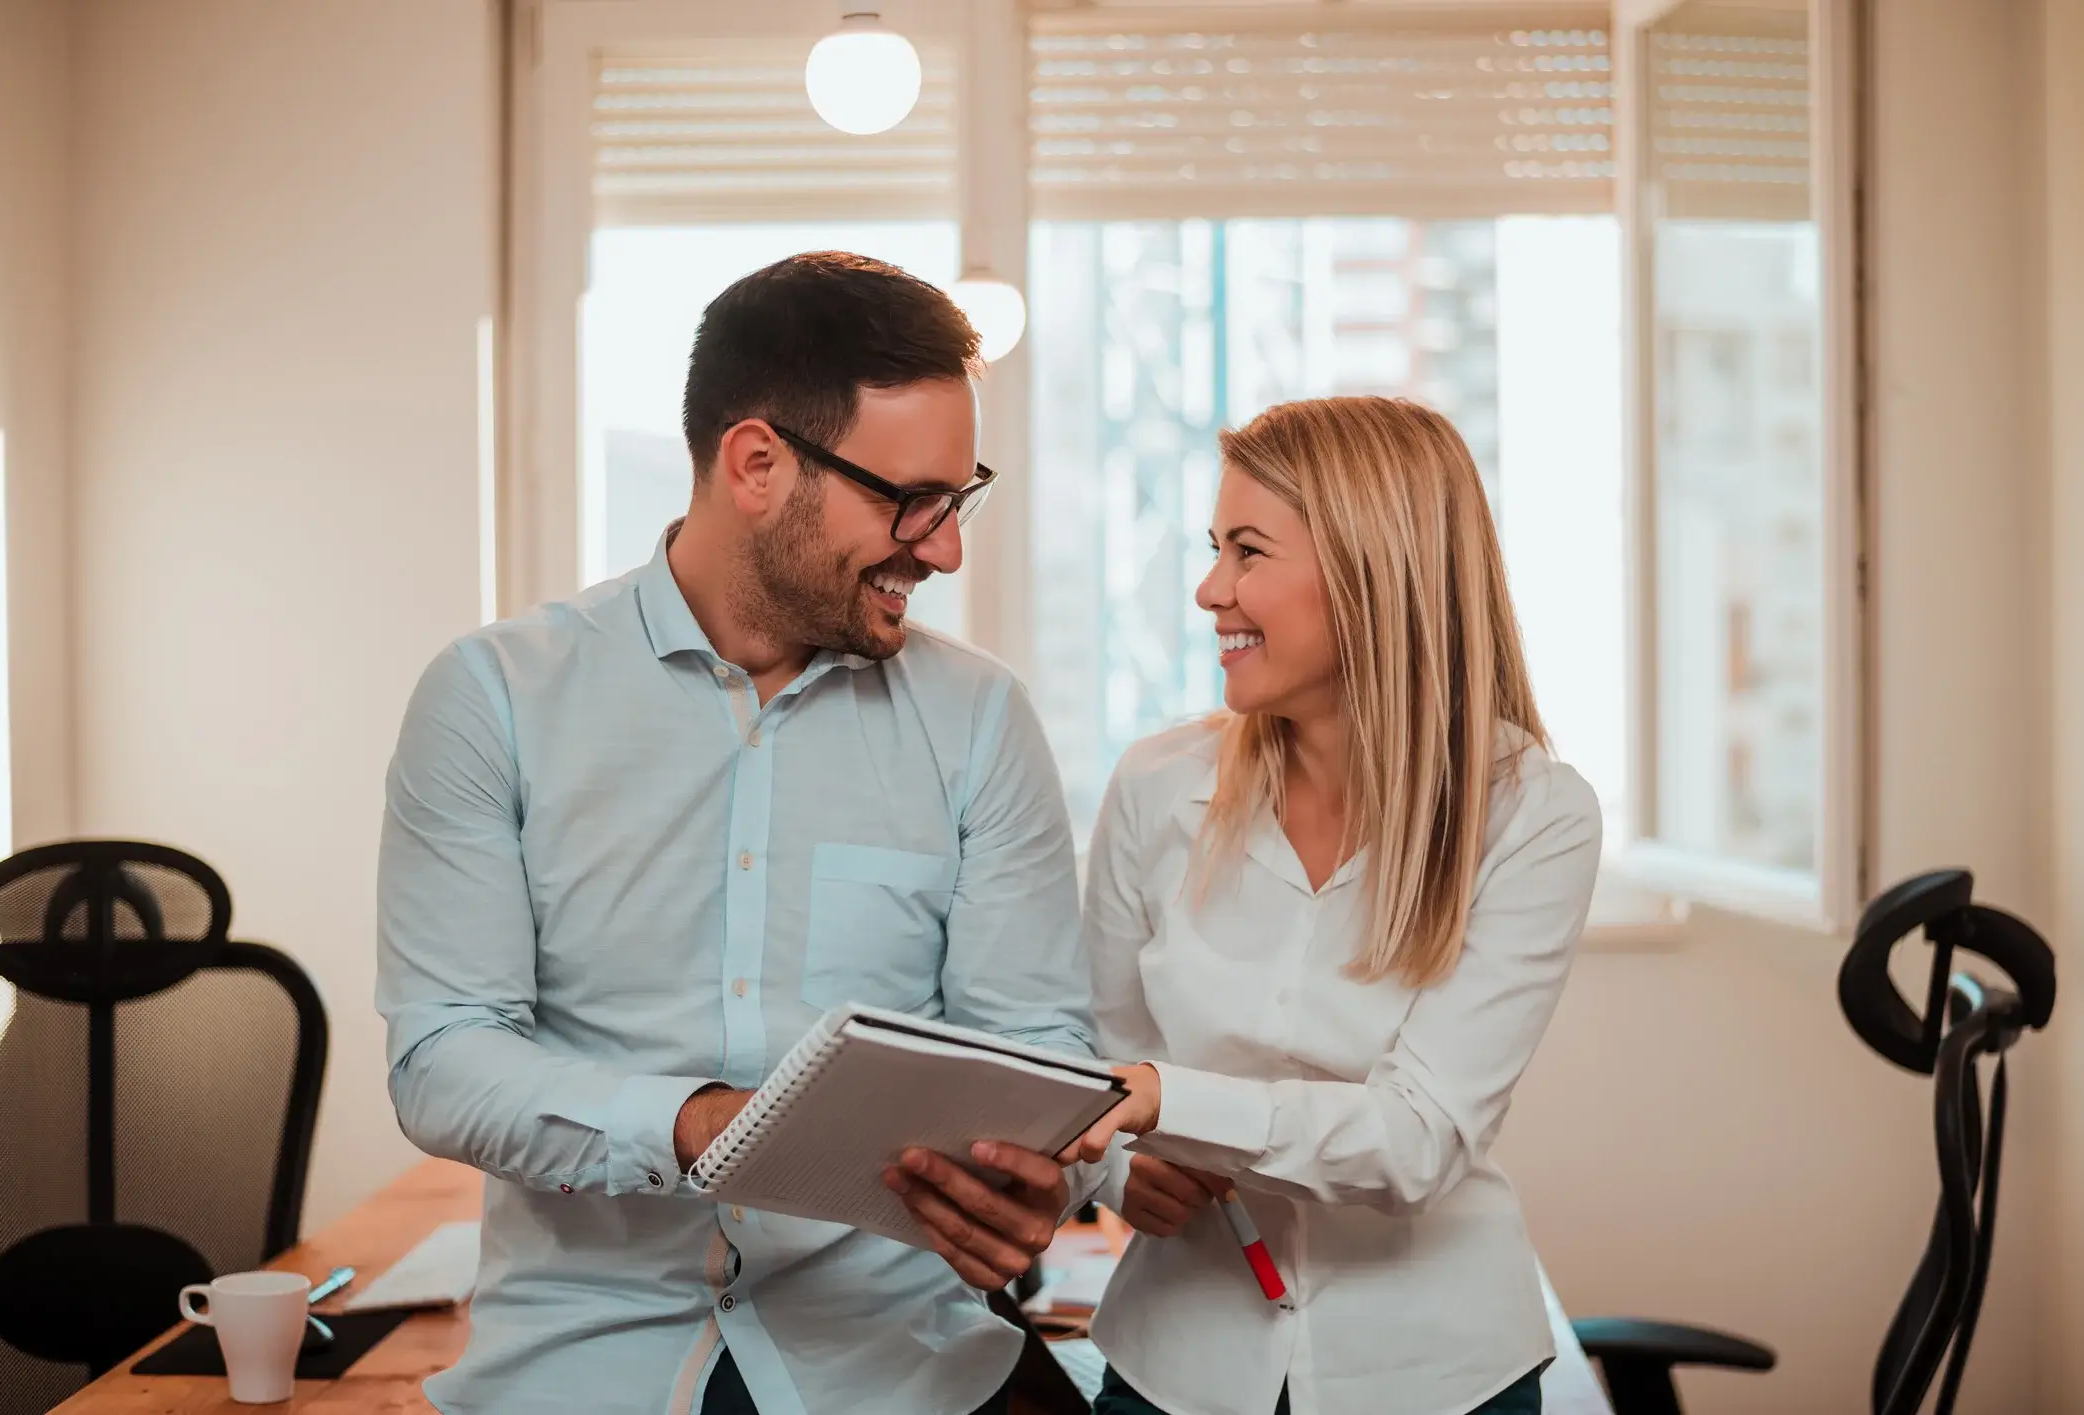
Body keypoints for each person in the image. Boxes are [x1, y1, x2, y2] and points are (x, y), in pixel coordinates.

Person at [376, 251, 1095, 1415]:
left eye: (959, 499)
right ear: (756, 463)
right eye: (910, 499)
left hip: (905, 1361)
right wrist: (701, 1125)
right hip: (583, 1363)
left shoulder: (978, 719)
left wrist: (1048, 1171)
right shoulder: (494, 697)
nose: (945, 546)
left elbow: (1040, 1046)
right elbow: (443, 1059)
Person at [1063, 396, 1603, 1415]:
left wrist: (1169, 1102)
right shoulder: (1152, 786)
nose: (1209, 587)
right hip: (1173, 1363)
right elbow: (1099, 1066)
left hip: (1438, 1376)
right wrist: (1121, 1170)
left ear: (1368, 572)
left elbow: (1418, 1137)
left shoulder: (1534, 815)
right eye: (1214, 547)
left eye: (1248, 551)